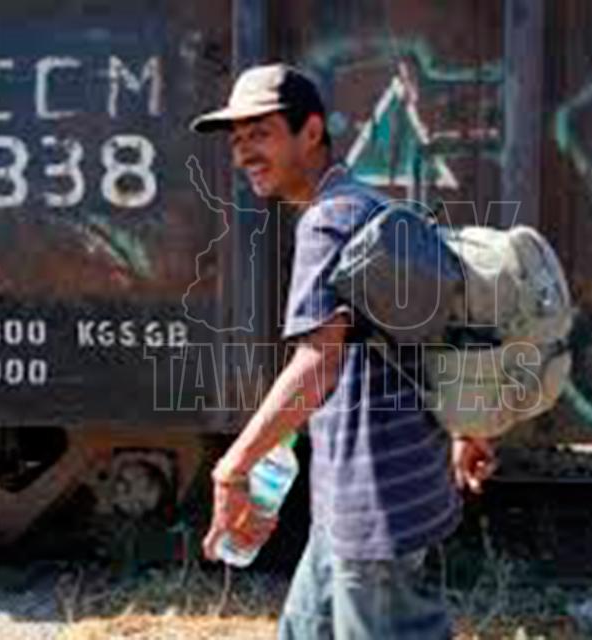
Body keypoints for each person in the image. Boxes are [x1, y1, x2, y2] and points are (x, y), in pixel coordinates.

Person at [190, 62, 496, 640]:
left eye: (261, 133)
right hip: (367, 495)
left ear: (311, 132)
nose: (244, 152)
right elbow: (433, 330)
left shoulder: (328, 222)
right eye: (237, 139)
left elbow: (317, 363)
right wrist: (466, 425)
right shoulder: (372, 206)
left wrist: (234, 466)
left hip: (373, 502)